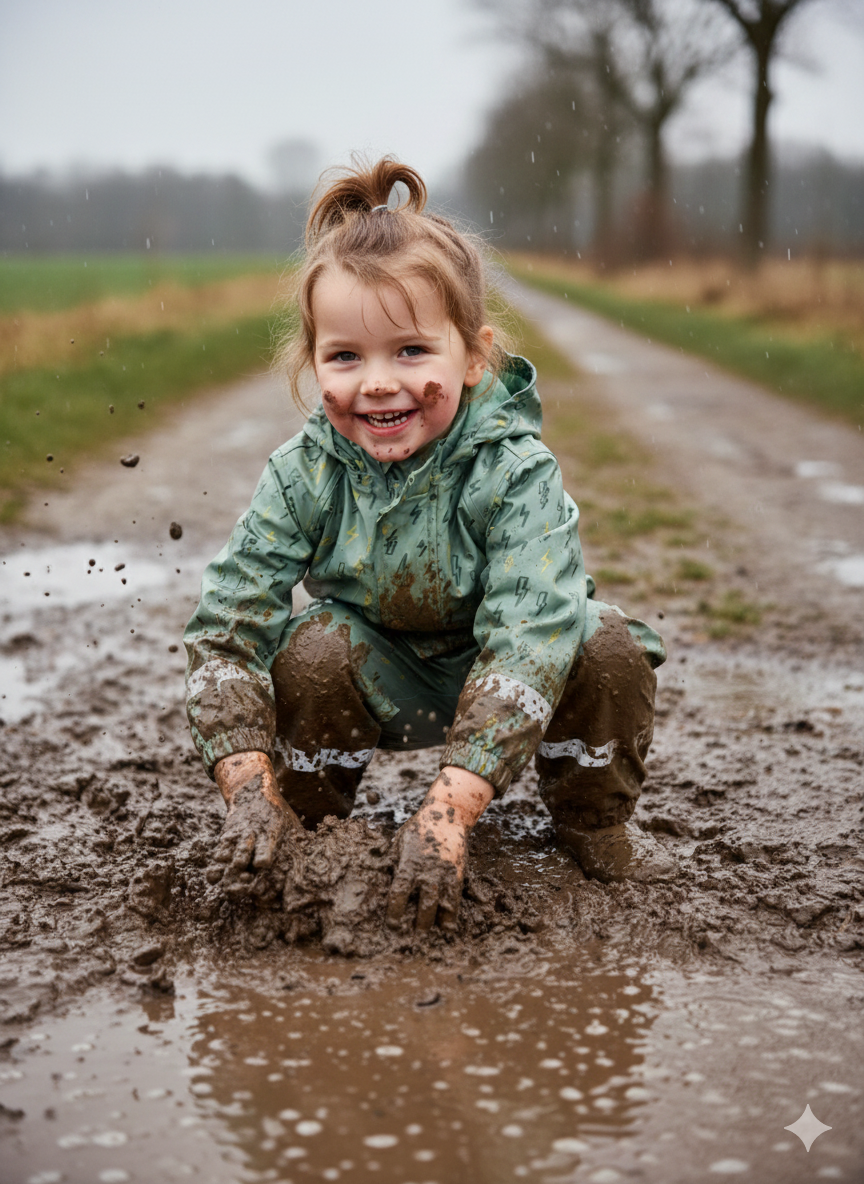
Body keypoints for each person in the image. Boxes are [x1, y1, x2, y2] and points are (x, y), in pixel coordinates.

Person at [184, 157, 671, 934]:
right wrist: (249, 788)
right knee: (312, 646)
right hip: (383, 677)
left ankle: (591, 824)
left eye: (410, 351)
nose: (377, 382)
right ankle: (306, 828)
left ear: (473, 357)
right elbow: (224, 631)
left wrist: (449, 811)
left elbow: (527, 639)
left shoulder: (516, 472)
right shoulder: (301, 474)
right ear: (314, 364)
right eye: (345, 356)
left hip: (513, 683)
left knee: (604, 641)